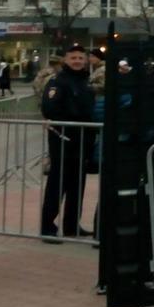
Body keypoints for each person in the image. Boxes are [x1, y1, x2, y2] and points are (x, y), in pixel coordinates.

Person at [40, 44, 96, 240]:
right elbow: (49, 108)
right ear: (65, 60)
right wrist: (74, 122)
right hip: (64, 140)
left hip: (83, 141)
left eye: (81, 58)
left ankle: (72, 226)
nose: (78, 61)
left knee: (77, 185)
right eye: (73, 58)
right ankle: (47, 227)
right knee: (58, 184)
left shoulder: (85, 81)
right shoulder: (57, 82)